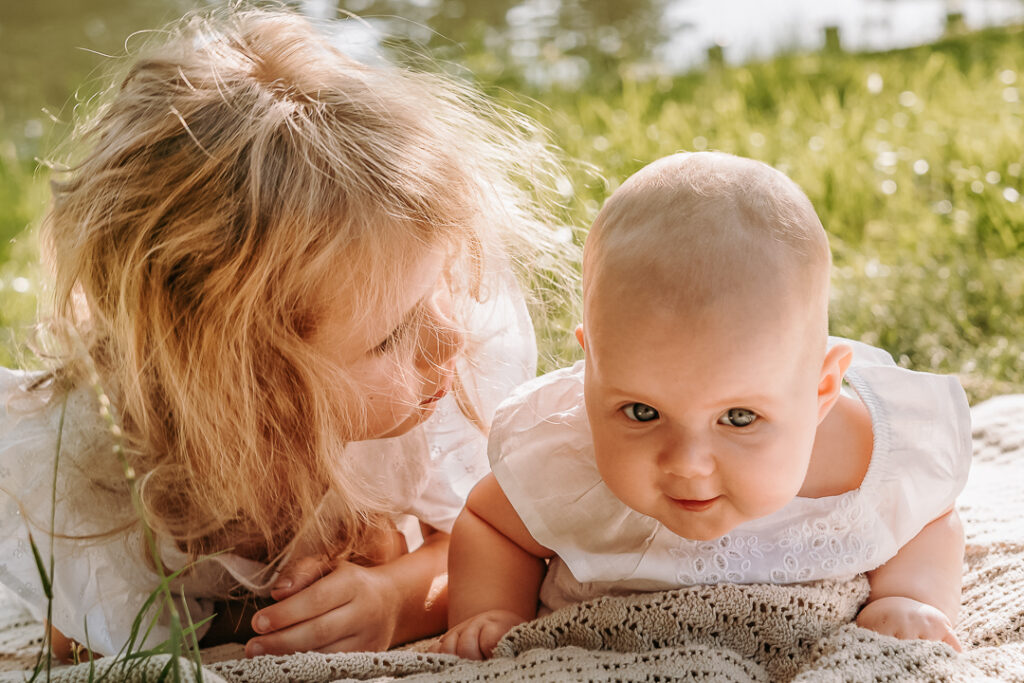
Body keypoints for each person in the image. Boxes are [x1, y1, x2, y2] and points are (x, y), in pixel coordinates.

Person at [0, 7, 578, 659]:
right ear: (252, 385)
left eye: (439, 286)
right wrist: (244, 620)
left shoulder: (434, 378)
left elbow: (484, 544)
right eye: (390, 338)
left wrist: (394, 597)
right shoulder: (101, 481)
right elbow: (89, 637)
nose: (449, 340)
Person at [434, 151, 972, 660]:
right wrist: (491, 610)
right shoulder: (564, 458)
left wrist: (907, 596)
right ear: (590, 375)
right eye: (642, 412)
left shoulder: (862, 456)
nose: (687, 462)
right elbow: (492, 525)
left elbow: (928, 516)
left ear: (821, 392)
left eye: (738, 418)